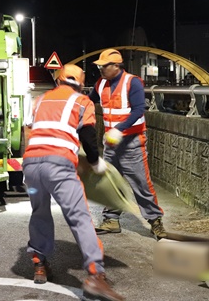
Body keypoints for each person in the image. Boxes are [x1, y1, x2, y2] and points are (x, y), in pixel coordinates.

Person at [22, 64, 125, 301]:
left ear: (58, 80)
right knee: (79, 218)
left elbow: (29, 132)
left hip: (31, 165)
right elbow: (87, 136)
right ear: (80, 82)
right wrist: (95, 162)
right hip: (58, 166)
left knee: (39, 212)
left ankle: (39, 263)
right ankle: (95, 276)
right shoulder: (82, 102)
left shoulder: (40, 100)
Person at [89, 49, 167, 240]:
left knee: (141, 183)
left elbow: (139, 109)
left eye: (104, 66)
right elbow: (88, 101)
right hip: (111, 144)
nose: (100, 69)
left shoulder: (132, 82)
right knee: (111, 183)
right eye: (99, 66)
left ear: (116, 66)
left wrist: (120, 129)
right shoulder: (100, 84)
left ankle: (155, 221)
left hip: (132, 143)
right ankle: (111, 219)